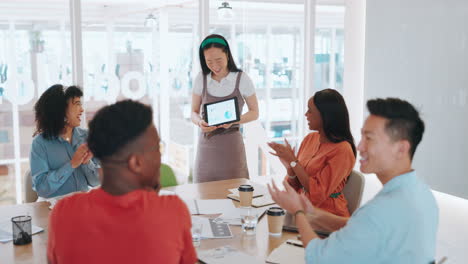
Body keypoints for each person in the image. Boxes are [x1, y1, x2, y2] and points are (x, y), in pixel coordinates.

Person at [268, 98, 439, 263]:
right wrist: (310, 211)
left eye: (369, 138)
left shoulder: (381, 210)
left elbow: (318, 257)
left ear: (401, 149)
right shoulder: (420, 193)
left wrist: (299, 213)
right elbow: (358, 225)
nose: (359, 146)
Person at [47, 100, 197, 264]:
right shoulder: (173, 211)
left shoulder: (63, 213)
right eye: (157, 148)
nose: (159, 156)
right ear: (136, 163)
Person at [268, 89, 356, 217]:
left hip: (328, 215)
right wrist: (290, 167)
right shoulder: (310, 139)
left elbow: (318, 193)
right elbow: (296, 185)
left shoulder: (343, 150)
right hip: (302, 209)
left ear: (325, 115)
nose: (306, 114)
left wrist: (294, 162)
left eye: (310, 110)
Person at [191, 34, 259, 183]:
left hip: (232, 148)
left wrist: (234, 120)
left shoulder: (242, 79)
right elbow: (193, 112)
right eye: (209, 61)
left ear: (227, 54)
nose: (214, 65)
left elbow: (255, 112)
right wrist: (199, 122)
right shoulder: (201, 78)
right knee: (204, 196)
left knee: (235, 194)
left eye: (218, 60)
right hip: (206, 148)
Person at [30, 84, 100, 199]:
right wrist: (71, 164)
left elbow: (95, 181)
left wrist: (87, 163)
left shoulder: (87, 137)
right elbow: (42, 188)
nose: (82, 110)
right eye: (77, 104)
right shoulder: (40, 143)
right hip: (51, 210)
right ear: (61, 109)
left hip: (82, 206)